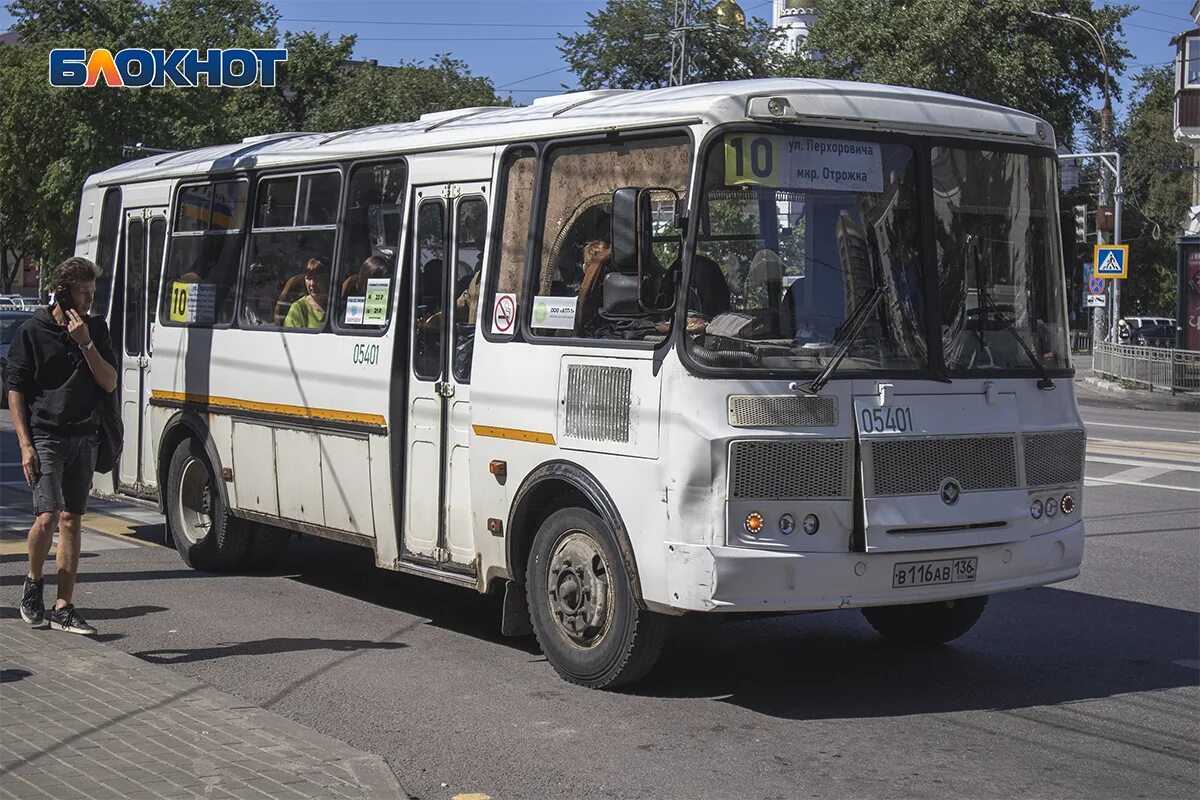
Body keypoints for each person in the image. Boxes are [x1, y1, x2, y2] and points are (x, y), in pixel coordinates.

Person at [5, 256, 118, 635]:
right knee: (48, 515)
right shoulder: (32, 331)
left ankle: (64, 606)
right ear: (62, 292)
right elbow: (16, 389)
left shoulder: (96, 330)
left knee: (72, 519)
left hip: (84, 434)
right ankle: (33, 582)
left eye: (92, 293)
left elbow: (109, 382)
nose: (88, 300)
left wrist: (85, 343)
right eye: (83, 293)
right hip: (46, 435)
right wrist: (25, 443)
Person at [283, 258, 329, 329]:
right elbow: (291, 337)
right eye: (308, 278)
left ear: (326, 279)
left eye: (316, 278)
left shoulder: (336, 305)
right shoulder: (298, 308)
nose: (312, 283)